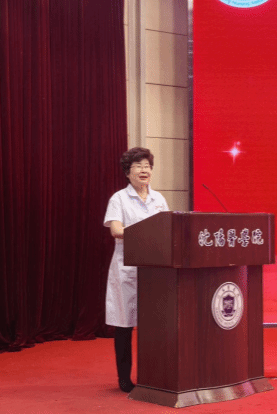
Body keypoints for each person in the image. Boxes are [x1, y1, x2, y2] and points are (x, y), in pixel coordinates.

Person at [103, 147, 169, 393]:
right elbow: (116, 230)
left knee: (156, 324)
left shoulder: (159, 199)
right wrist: (146, 233)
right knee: (125, 325)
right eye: (138, 166)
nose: (144, 170)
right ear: (127, 172)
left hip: (156, 270)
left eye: (147, 166)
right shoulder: (119, 198)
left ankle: (155, 374)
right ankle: (124, 378)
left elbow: (168, 228)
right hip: (127, 270)